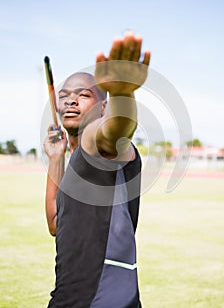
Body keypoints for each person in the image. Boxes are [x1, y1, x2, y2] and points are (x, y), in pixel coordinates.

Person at [44, 32, 151, 308]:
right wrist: (56, 158)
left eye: (83, 95)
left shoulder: (100, 144)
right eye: (65, 96)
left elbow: (116, 130)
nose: (70, 101)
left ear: (104, 106)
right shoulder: (78, 161)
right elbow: (56, 224)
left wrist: (123, 94)